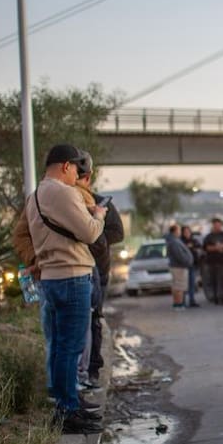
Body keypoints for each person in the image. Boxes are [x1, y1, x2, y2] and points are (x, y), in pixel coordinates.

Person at [26, 143, 107, 435]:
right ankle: (68, 411)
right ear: (65, 166)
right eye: (76, 168)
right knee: (71, 348)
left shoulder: (35, 196)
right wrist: (98, 214)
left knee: (61, 347)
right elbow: (89, 232)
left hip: (51, 278)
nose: (78, 174)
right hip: (72, 276)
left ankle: (66, 403)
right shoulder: (63, 192)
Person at [74, 151, 124, 387]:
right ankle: (81, 376)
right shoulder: (68, 203)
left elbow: (118, 234)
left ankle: (93, 368)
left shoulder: (103, 204)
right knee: (81, 322)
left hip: (99, 270)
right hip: (78, 269)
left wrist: (96, 235)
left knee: (94, 318)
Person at [201, 217, 223, 305]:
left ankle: (222, 298)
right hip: (211, 262)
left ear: (221, 225)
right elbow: (206, 248)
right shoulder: (209, 237)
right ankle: (215, 298)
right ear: (213, 226)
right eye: (215, 225)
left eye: (218, 225)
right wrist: (216, 248)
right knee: (213, 281)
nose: (217, 227)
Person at [164, 223, 195, 309]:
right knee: (179, 287)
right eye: (178, 230)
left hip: (177, 266)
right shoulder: (174, 242)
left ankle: (177, 304)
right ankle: (179, 304)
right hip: (179, 267)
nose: (180, 232)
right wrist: (187, 262)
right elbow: (179, 255)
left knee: (176, 286)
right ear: (175, 231)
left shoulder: (172, 240)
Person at [180, 224, 202, 307]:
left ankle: (192, 300)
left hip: (192, 265)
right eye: (185, 232)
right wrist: (187, 247)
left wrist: (193, 247)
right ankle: (183, 302)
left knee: (192, 284)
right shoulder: (181, 241)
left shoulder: (194, 240)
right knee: (184, 285)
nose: (187, 233)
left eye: (188, 232)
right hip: (184, 266)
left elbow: (199, 247)